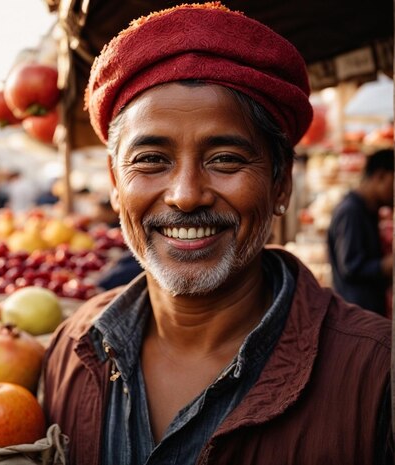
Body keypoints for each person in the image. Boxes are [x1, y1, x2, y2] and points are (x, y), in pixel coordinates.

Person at [41, 4, 392, 465]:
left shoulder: (376, 378)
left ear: (280, 182)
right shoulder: (73, 351)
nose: (186, 196)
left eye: (225, 158)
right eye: (151, 160)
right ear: (113, 181)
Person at [327, 149, 394, 316]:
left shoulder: (368, 210)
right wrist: (386, 265)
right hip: (356, 315)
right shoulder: (351, 211)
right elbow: (350, 267)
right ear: (380, 176)